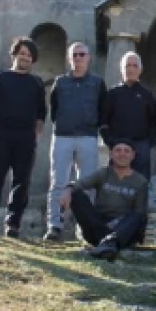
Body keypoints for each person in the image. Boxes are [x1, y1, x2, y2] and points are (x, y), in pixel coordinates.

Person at [0, 37, 47, 239]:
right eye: (22, 53)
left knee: (21, 181)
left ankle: (13, 224)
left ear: (32, 60)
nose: (24, 57)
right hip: (1, 134)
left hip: (25, 136)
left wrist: (37, 131)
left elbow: (42, 111)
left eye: (29, 55)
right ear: (14, 54)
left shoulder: (36, 82)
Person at [45, 42, 107, 242]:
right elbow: (54, 110)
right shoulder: (60, 82)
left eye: (82, 55)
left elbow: (102, 109)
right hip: (63, 136)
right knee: (58, 182)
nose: (78, 58)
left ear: (89, 58)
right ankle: (55, 226)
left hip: (88, 137)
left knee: (87, 184)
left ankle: (85, 229)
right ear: (69, 58)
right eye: (75, 55)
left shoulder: (98, 83)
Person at [58, 139, 149, 261]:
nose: (122, 154)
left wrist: (120, 230)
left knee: (138, 216)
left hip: (122, 231)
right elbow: (80, 184)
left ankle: (110, 242)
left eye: (126, 151)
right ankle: (106, 243)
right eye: (118, 150)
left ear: (133, 155)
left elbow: (139, 214)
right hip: (98, 226)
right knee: (75, 194)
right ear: (111, 154)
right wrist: (68, 189)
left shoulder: (140, 181)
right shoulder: (103, 173)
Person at [101, 51, 156, 181]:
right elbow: (103, 120)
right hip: (118, 146)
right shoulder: (112, 94)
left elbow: (154, 121)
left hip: (141, 146)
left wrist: (150, 143)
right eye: (127, 66)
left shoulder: (147, 94)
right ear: (121, 69)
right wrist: (110, 141)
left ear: (140, 70)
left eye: (134, 65)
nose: (131, 69)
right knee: (115, 184)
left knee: (141, 184)